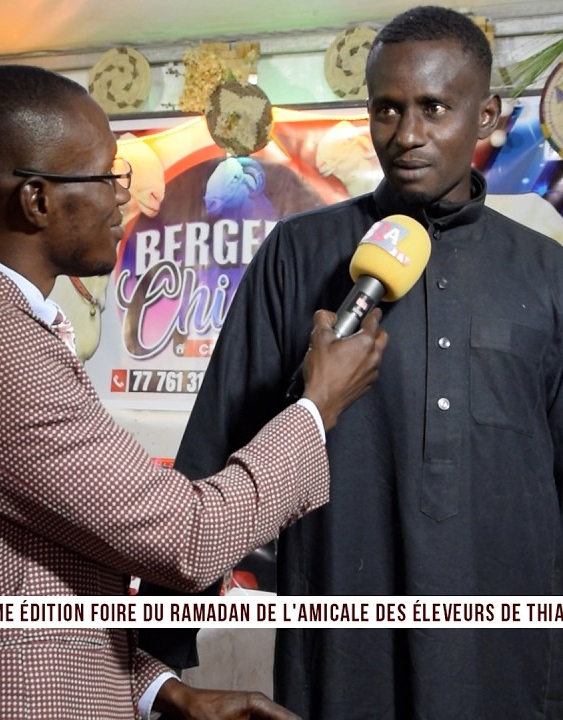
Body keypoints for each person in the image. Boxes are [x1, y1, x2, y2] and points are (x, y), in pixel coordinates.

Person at [0, 63, 388, 720]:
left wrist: (160, 690)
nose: (124, 195)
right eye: (107, 175)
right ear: (37, 200)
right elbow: (189, 540)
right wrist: (317, 405)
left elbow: (38, 571)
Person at [173, 7, 563, 718]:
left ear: (486, 116)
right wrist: (159, 663)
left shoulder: (547, 274)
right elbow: (211, 457)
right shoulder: (297, 255)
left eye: (434, 108)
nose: (407, 135)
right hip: (343, 657)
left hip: (507, 664)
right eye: (387, 108)